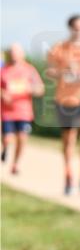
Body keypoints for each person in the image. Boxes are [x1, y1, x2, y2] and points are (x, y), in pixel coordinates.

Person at [46, 14, 80, 195]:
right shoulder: (58, 48)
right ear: (70, 28)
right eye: (77, 28)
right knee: (69, 139)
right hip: (64, 99)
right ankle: (69, 177)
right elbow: (49, 71)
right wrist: (64, 72)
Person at [1, 43, 45, 175]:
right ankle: (5, 148)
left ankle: (15, 164)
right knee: (7, 138)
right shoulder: (3, 70)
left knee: (22, 139)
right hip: (6, 112)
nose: (14, 55)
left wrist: (29, 89)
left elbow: (40, 89)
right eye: (12, 53)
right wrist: (3, 94)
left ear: (22, 54)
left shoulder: (29, 70)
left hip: (24, 112)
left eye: (17, 53)